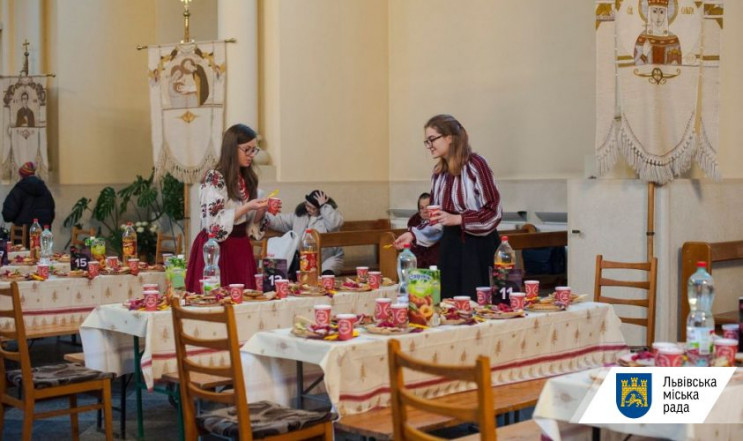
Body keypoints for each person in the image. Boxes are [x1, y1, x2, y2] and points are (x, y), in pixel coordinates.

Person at [394, 115, 502, 300]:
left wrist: (459, 219)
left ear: (449, 138)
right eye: (426, 141)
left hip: (477, 248)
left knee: (476, 304)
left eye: (432, 139)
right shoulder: (438, 173)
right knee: (448, 303)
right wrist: (413, 234)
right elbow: (437, 220)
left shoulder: (476, 164)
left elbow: (493, 211)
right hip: (450, 247)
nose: (429, 146)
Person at [185, 124, 270, 293]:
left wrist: (260, 210)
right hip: (217, 248)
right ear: (232, 148)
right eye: (247, 150)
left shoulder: (247, 178)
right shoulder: (214, 178)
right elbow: (214, 224)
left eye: (254, 150)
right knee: (217, 303)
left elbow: (249, 227)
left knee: (243, 304)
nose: (251, 155)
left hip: (240, 247)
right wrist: (246, 207)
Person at [267, 190, 344, 276]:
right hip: (301, 260)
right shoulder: (301, 215)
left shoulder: (329, 218)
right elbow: (280, 221)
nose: (309, 209)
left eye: (313, 208)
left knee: (325, 276)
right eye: (307, 206)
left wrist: (324, 206)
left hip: (326, 261)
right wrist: (263, 213)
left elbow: (334, 224)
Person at [2, 162, 55, 245]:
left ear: (22, 175)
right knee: (41, 256)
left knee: (21, 257)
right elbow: (51, 213)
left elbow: (8, 215)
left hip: (22, 235)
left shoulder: (18, 190)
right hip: (42, 234)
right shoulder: (45, 190)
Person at [634, 0, 681, 66]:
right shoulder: (642, 38)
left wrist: (674, 62)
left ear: (666, 13)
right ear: (649, 12)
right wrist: (644, 54)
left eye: (662, 12)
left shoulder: (673, 39)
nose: (658, 16)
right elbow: (635, 66)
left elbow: (678, 67)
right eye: (654, 11)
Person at [407, 192, 440, 269]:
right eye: (422, 208)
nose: (425, 211)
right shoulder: (414, 222)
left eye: (428, 207)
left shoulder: (440, 223)